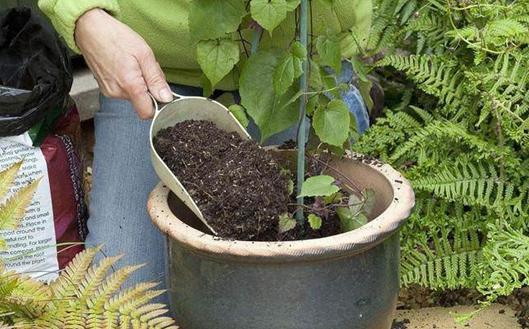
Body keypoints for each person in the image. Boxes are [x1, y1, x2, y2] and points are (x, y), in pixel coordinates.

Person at [38, 0, 371, 303]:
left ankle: (349, 103)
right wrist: (84, 16)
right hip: (150, 64)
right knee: (124, 298)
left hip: (303, 60)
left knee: (312, 285)